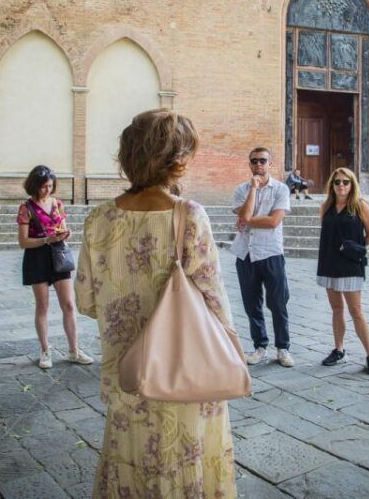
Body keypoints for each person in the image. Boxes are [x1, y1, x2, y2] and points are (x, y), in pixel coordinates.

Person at [75, 108, 236, 497]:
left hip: (126, 371)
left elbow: (85, 300)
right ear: (176, 160)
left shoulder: (99, 218)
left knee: (130, 457)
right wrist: (230, 343)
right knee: (187, 459)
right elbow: (213, 297)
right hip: (187, 369)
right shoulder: (190, 216)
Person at [16, 165, 93, 369]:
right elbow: (23, 242)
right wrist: (46, 240)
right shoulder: (26, 208)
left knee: (68, 304)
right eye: (43, 187)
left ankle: (74, 350)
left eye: (50, 186)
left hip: (58, 254)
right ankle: (45, 350)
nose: (47, 190)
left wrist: (64, 235)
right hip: (37, 257)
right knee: (43, 306)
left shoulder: (58, 204)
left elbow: (64, 229)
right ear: (34, 186)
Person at [231, 147, 294, 367]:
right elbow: (245, 214)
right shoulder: (240, 190)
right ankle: (260, 347)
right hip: (245, 253)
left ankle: (283, 348)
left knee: (278, 303)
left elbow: (274, 222)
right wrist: (253, 190)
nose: (258, 165)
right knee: (251, 304)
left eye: (263, 161)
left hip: (270, 252)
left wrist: (247, 220)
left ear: (270, 164)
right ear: (249, 164)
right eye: (254, 161)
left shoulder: (281, 190)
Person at [316, 167, 369, 374]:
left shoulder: (360, 206)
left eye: (345, 182)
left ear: (352, 184)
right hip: (329, 263)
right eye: (337, 182)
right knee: (336, 309)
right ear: (331, 185)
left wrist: (354, 250)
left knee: (356, 311)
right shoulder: (326, 206)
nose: (341, 185)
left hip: (351, 264)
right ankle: (339, 349)